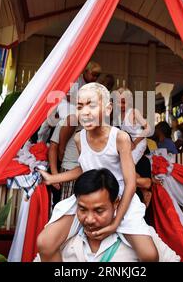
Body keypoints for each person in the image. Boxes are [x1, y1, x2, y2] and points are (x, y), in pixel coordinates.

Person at [37, 83, 158, 262]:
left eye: (91, 105)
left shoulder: (120, 138)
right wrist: (54, 178)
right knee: (45, 243)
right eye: (79, 106)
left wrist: (116, 222)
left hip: (120, 198)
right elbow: (85, 168)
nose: (85, 111)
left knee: (150, 255)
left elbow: (131, 183)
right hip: (90, 198)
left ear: (108, 109)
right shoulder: (79, 138)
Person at [34, 168, 180, 262]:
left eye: (99, 211)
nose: (89, 219)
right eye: (83, 209)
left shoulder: (141, 235)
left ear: (116, 203)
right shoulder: (63, 240)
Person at [114, 87, 152, 164]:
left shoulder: (134, 112)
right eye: (118, 102)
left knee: (128, 164)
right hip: (129, 143)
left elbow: (148, 129)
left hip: (139, 143)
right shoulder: (119, 115)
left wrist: (135, 143)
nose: (121, 105)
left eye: (123, 102)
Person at [49, 119, 81, 201]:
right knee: (66, 208)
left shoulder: (95, 124)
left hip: (88, 171)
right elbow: (53, 147)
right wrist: (54, 174)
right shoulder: (65, 121)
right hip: (68, 170)